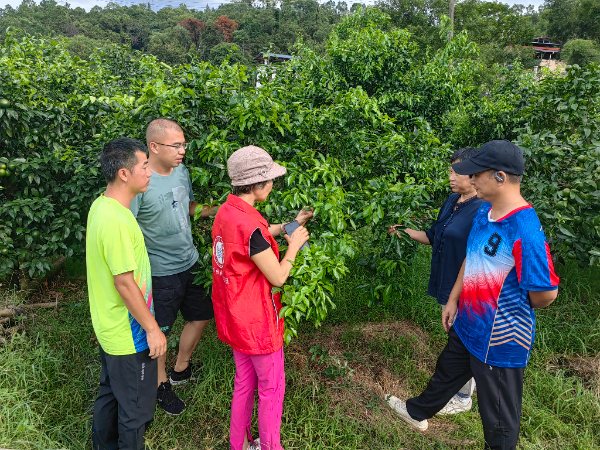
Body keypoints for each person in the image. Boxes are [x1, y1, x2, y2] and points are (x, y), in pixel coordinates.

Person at [387, 140, 560, 450]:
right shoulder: (485, 213)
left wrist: (510, 306)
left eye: (476, 174)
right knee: (446, 373)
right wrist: (454, 298)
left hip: (500, 341)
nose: (470, 180)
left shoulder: (523, 228)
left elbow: (545, 293)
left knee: (499, 420)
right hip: (468, 324)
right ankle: (416, 412)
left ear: (500, 177)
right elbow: (471, 256)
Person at [212, 145, 313, 450]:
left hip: (234, 315)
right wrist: (294, 245)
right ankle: (271, 446)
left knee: (244, 384)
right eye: (269, 180)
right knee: (272, 389)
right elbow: (279, 277)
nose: (272, 184)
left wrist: (290, 225)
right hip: (256, 322)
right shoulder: (249, 226)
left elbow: (257, 234)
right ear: (256, 185)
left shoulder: (227, 211)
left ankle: (239, 443)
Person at [130, 118, 218, 415]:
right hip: (158, 271)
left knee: (203, 314)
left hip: (189, 261)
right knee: (159, 332)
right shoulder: (139, 182)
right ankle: (160, 384)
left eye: (184, 144)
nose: (182, 150)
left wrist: (212, 211)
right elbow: (126, 229)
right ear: (154, 147)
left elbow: (187, 206)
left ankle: (181, 368)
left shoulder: (181, 171)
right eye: (176, 145)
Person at [388, 147, 484, 415]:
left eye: (456, 171)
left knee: (461, 338)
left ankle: (462, 396)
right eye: (450, 170)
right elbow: (433, 235)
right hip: (449, 278)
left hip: (468, 285)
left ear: (474, 175)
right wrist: (404, 232)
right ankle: (466, 387)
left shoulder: (482, 209)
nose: (451, 176)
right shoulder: (452, 200)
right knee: (460, 336)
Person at [87, 138, 167, 450]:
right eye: (145, 166)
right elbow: (124, 283)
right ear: (124, 173)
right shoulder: (117, 220)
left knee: (110, 392)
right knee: (135, 410)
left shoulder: (102, 205)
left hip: (109, 327)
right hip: (129, 332)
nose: (150, 172)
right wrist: (152, 329)